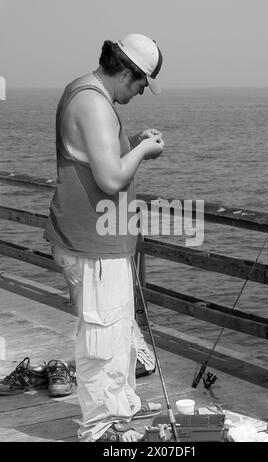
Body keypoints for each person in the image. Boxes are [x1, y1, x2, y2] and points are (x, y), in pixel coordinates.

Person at [43, 33, 164, 442]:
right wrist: (144, 151)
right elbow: (111, 177)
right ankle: (101, 427)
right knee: (101, 338)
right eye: (142, 82)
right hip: (91, 243)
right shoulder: (94, 103)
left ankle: (122, 404)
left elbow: (99, 157)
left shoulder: (84, 92)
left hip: (99, 240)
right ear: (127, 71)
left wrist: (130, 143)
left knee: (117, 332)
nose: (143, 90)